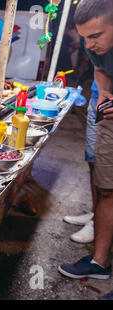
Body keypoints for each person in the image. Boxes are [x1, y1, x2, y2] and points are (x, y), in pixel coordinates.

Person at [58, 0, 113, 300]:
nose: (89, 44)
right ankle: (99, 262)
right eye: (84, 37)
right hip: (108, 111)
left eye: (96, 36)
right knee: (105, 185)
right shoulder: (95, 44)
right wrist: (103, 95)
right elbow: (99, 68)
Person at [63, 80, 98, 244]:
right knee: (93, 160)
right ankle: (95, 212)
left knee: (106, 168)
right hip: (98, 97)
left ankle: (98, 222)